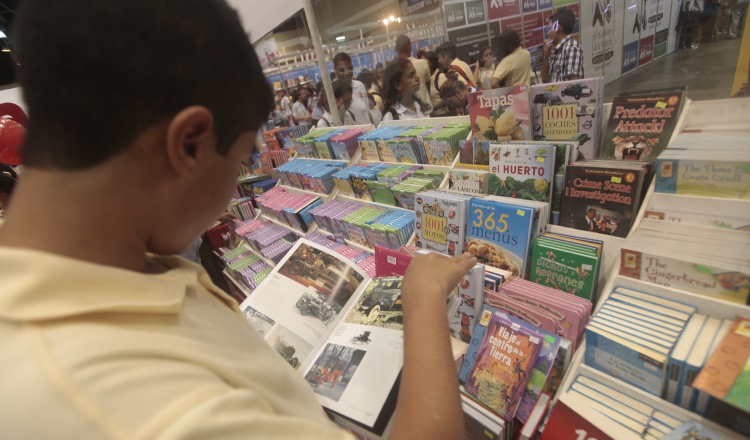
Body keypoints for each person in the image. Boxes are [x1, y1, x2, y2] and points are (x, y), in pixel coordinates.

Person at [0, 1, 476, 438]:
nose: (235, 187)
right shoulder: (137, 407)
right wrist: (424, 299)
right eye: (243, 157)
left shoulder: (117, 264)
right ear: (188, 144)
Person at [541, 9, 584, 83]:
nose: (548, 33)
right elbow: (544, 79)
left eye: (550, 28)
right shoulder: (554, 49)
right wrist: (546, 57)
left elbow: (574, 84)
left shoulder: (572, 48)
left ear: (558, 28)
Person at [395, 35, 432, 114]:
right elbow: (428, 87)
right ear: (411, 47)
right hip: (426, 110)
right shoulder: (423, 63)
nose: (417, 77)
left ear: (396, 49)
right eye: (411, 75)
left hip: (407, 112)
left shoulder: (395, 69)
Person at [332, 52, 373, 125]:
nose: (346, 73)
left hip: (367, 133)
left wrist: (374, 129)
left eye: (349, 68)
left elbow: (368, 113)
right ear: (335, 70)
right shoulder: (333, 92)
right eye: (342, 70)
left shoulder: (359, 85)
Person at [424, 51, 450, 117]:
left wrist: (432, 109)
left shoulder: (440, 77)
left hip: (442, 115)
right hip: (431, 116)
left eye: (424, 61)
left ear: (432, 63)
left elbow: (447, 98)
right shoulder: (425, 78)